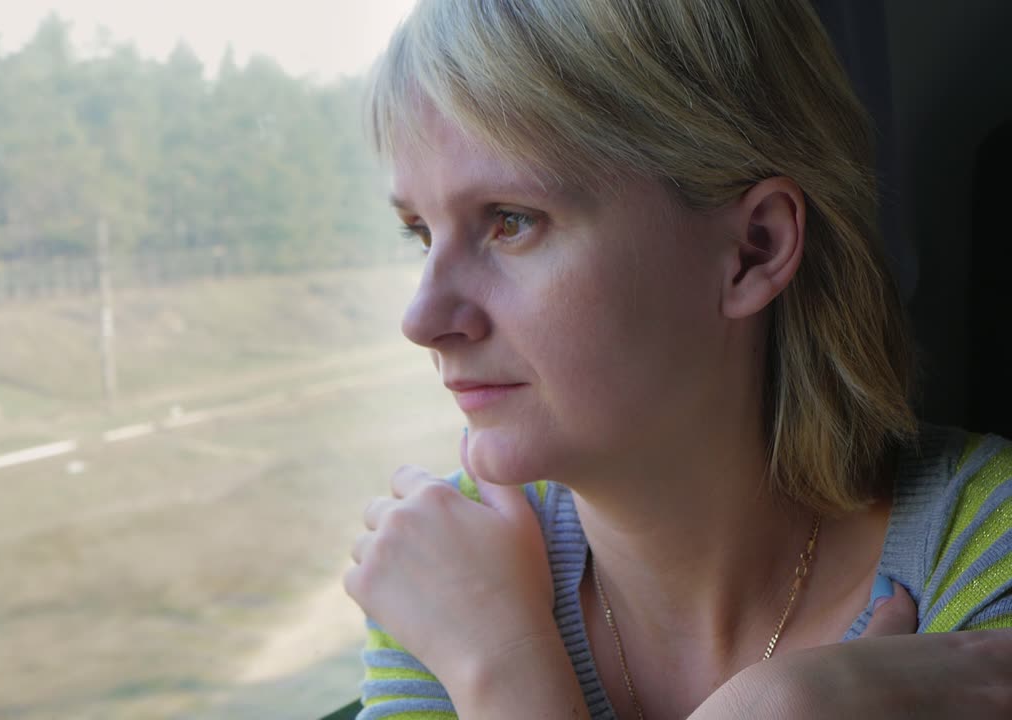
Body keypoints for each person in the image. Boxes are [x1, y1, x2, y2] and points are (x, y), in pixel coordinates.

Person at [342, 1, 1012, 718]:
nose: (422, 321)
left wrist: (507, 679)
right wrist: (502, 662)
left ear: (753, 249)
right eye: (421, 232)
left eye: (512, 221)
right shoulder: (449, 574)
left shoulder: (984, 547)